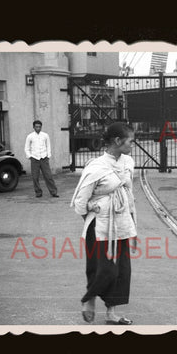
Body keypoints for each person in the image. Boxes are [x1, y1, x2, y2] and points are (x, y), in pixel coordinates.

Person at [70, 122, 137, 325]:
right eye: (130, 141)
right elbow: (80, 202)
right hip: (99, 226)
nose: (133, 145)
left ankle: (111, 313)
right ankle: (89, 298)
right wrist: (95, 215)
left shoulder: (128, 162)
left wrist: (130, 216)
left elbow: (129, 192)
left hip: (122, 223)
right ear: (118, 141)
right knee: (106, 269)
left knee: (122, 271)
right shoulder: (96, 167)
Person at [24, 120, 59, 198]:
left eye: (39, 127)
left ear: (41, 127)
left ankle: (53, 192)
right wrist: (30, 156)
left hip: (44, 158)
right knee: (35, 177)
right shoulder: (30, 136)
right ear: (33, 127)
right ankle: (38, 192)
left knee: (48, 176)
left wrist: (48, 156)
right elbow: (27, 148)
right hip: (34, 159)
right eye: (36, 127)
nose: (38, 128)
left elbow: (48, 146)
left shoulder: (45, 135)